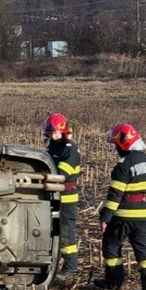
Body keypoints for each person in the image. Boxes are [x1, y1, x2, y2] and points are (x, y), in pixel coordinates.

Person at [96, 123, 146, 290]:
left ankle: (113, 283)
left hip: (124, 215)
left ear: (124, 144)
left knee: (111, 246)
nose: (116, 149)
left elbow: (115, 195)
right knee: (143, 249)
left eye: (116, 145)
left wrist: (105, 216)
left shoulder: (123, 165)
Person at [44, 112, 81, 279]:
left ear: (63, 130)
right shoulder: (53, 146)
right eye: (50, 133)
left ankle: (71, 267)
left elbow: (61, 174)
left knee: (66, 231)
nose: (53, 135)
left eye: (55, 132)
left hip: (66, 196)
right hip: (54, 194)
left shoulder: (70, 149)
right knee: (52, 230)